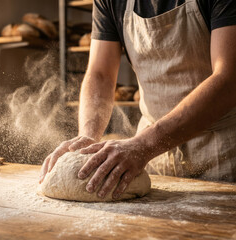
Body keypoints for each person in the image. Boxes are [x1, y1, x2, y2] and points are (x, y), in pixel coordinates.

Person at [40, 0, 236, 200]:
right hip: (153, 157)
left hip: (220, 151)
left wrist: (144, 145)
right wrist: (88, 137)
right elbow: (101, 74)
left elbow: (229, 80)